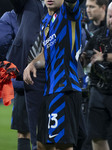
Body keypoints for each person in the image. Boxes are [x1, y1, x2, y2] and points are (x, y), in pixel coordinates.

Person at [23, 0, 83, 149]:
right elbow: (45, 54)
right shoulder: (46, 21)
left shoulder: (68, 13)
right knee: (42, 144)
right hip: (49, 91)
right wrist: (32, 64)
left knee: (63, 145)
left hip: (64, 89)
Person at [7, 1, 46, 149]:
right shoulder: (28, 3)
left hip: (56, 74)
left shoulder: (62, 6)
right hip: (28, 76)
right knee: (26, 130)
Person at [0, 10, 31, 150]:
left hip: (24, 83)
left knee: (24, 133)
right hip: (52, 82)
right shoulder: (53, 12)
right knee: (52, 134)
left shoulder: (11, 16)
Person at [81, 2, 112, 150]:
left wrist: (104, 57)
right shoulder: (99, 34)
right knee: (96, 136)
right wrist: (83, 57)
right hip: (97, 92)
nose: (111, 20)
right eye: (110, 17)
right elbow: (85, 57)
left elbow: (101, 57)